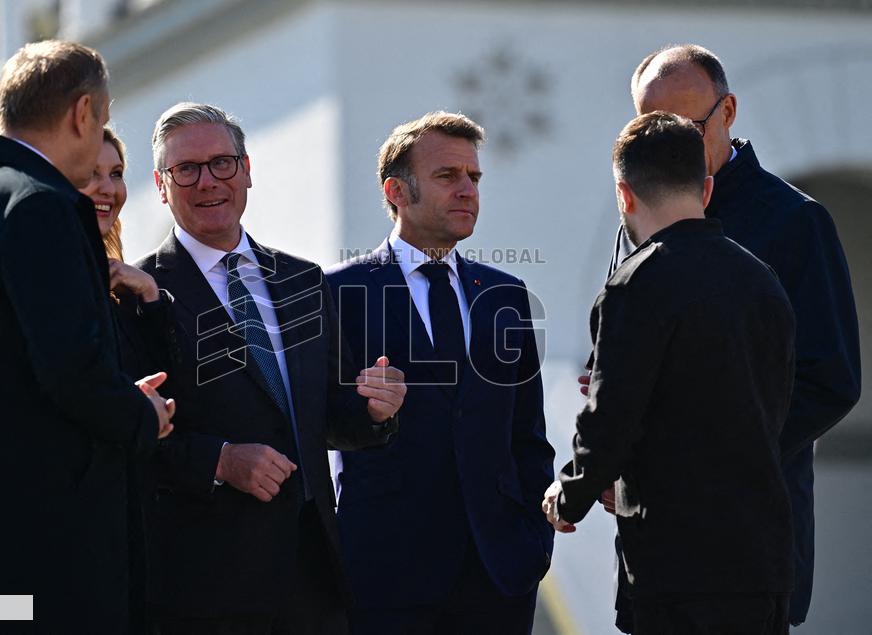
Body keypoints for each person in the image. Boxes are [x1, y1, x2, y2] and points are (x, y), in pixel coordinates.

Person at [591, 44, 861, 630]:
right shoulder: (638, 215)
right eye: (651, 127)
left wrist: (706, 455)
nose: (671, 145)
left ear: (729, 111)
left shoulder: (794, 222)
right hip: (653, 543)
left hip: (746, 542)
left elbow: (831, 379)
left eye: (686, 126)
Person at [0, 41, 174, 633]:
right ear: (83, 113)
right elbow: (71, 369)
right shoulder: (38, 207)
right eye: (101, 119)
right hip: (40, 560)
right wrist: (141, 413)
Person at [135, 102, 407, 635]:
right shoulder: (138, 293)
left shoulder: (303, 281)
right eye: (185, 169)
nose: (207, 181)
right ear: (161, 186)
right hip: (206, 586)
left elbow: (328, 414)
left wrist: (375, 409)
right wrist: (220, 460)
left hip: (314, 575)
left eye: (222, 163)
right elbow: (128, 434)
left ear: (247, 170)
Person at [545, 111, 797, 635]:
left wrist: (570, 493)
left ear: (624, 195)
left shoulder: (635, 286)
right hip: (762, 556)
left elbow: (611, 416)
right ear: (707, 188)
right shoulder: (763, 280)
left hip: (676, 563)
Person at [325, 111, 555, 634]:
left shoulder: (504, 295)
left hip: (498, 577)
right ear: (397, 191)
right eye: (447, 176)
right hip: (385, 577)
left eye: (473, 177)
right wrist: (369, 411)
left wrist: (532, 541)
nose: (467, 190)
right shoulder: (338, 292)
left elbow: (527, 434)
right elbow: (318, 425)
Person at [79, 127, 179, 635]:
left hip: (139, 531)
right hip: (80, 538)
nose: (108, 188)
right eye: (91, 174)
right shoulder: (62, 288)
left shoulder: (129, 288)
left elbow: (175, 391)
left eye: (115, 174)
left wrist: (153, 299)